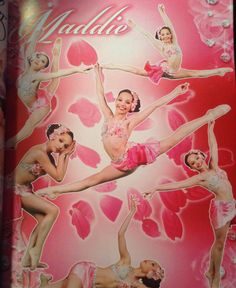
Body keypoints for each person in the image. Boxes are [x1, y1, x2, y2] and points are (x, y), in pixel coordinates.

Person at [36, 63, 230, 199]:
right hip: (118, 163)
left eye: (127, 102)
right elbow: (100, 95)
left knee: (173, 139)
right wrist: (97, 74)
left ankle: (208, 117)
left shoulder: (130, 122)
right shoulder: (108, 116)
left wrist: (175, 93)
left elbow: (153, 106)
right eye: (120, 99)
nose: (122, 103)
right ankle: (55, 191)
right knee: (91, 180)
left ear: (131, 107)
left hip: (132, 157)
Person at [11, 196, 203, 288]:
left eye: (153, 264)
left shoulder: (137, 285)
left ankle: (44, 283)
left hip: (84, 283)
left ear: (151, 274)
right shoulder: (126, 261)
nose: (150, 260)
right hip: (85, 271)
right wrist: (132, 212)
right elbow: (121, 234)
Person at [143, 121, 236, 288]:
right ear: (193, 168)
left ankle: (209, 271)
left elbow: (213, 145)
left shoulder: (215, 167)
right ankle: (214, 276)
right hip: (221, 209)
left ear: (202, 155)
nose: (197, 162)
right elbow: (178, 185)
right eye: (193, 163)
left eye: (197, 157)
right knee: (220, 243)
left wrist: (210, 127)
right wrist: (156, 188)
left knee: (222, 241)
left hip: (231, 205)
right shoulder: (200, 178)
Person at [102, 4, 232, 84]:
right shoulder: (161, 45)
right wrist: (134, 25)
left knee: (195, 73)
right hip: (166, 71)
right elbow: (147, 35)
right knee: (138, 71)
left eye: (166, 33)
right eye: (162, 34)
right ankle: (114, 65)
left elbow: (170, 25)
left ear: (170, 34)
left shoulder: (174, 41)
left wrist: (162, 12)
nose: (165, 35)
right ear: (160, 37)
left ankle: (219, 71)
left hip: (175, 71)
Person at [5, 32, 91, 149]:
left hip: (42, 106)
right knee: (30, 125)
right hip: (36, 102)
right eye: (38, 57)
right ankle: (55, 54)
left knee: (30, 123)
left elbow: (57, 73)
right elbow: (31, 46)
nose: (38, 60)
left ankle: (9, 143)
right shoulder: (26, 69)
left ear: (42, 68)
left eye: (42, 62)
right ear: (32, 58)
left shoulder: (36, 76)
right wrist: (37, 31)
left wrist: (76, 69)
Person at [8, 123, 75, 270]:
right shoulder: (39, 152)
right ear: (53, 136)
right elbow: (58, 176)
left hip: (25, 189)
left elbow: (60, 176)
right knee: (53, 211)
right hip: (13, 189)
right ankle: (36, 249)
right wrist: (64, 155)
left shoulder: (49, 158)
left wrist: (65, 155)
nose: (61, 147)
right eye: (61, 141)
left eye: (66, 146)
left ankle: (27, 260)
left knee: (43, 218)